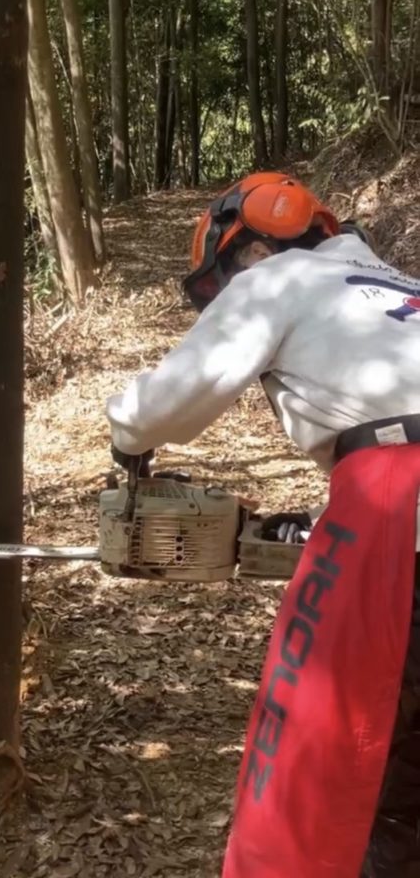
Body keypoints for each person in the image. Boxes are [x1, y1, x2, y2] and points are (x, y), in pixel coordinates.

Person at [105, 171, 420, 877]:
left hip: (401, 503)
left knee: (342, 761)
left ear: (246, 252)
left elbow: (169, 403)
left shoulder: (277, 282)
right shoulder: (399, 285)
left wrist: (126, 441)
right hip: (394, 495)